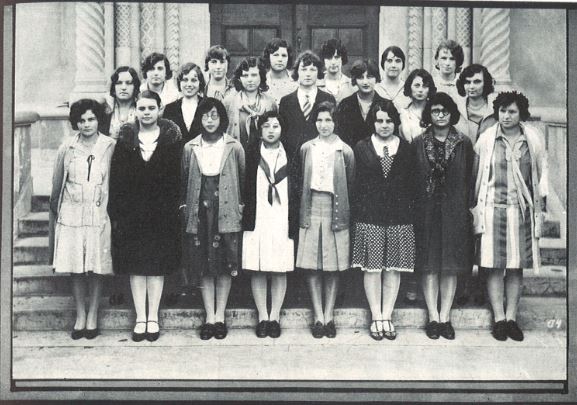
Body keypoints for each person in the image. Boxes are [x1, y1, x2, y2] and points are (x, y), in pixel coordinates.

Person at [471, 91, 548, 342]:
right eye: (502, 111)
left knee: (515, 267)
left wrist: (540, 209)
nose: (506, 116)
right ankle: (499, 318)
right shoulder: (486, 139)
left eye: (512, 111)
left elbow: (541, 175)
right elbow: (476, 175)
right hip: (493, 209)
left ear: (521, 113)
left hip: (520, 212)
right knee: (494, 266)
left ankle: (512, 317)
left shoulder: (532, 139)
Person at [108, 90, 182, 342]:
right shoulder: (126, 139)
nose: (147, 113)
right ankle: (140, 317)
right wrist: (118, 212)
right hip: (133, 214)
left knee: (156, 267)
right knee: (136, 266)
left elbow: (176, 179)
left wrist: (173, 209)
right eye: (142, 108)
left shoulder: (172, 140)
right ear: (135, 111)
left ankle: (153, 316)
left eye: (151, 108)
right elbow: (117, 179)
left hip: (162, 214)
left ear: (159, 109)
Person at [48, 99, 115, 340]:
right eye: (82, 120)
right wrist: (56, 214)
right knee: (76, 267)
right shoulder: (67, 147)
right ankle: (80, 315)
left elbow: (114, 184)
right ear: (76, 122)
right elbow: (57, 184)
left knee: (96, 267)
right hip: (72, 213)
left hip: (98, 212)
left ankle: (93, 315)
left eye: (91, 119)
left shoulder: (109, 146)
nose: (87, 124)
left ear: (99, 120)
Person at [181, 98, 245, 341]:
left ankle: (221, 315)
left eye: (214, 116)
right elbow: (185, 177)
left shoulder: (233, 146)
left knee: (225, 262)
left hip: (225, 207)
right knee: (204, 263)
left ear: (222, 119)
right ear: (199, 118)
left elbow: (241, 176)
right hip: (200, 208)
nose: (210, 121)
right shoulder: (190, 147)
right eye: (205, 116)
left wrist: (238, 207)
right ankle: (209, 315)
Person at [351, 100, 416, 340]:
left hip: (399, 217)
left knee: (392, 268)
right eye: (379, 120)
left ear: (395, 122)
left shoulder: (407, 148)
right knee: (372, 268)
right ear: (373, 122)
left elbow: (413, 185)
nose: (384, 125)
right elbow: (355, 184)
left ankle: (388, 315)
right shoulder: (361, 147)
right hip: (371, 216)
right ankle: (376, 315)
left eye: (389, 121)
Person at [413, 92, 474, 341]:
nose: (440, 115)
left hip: (454, 212)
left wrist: (465, 207)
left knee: (450, 265)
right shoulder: (418, 142)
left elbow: (469, 177)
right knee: (429, 265)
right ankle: (433, 317)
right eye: (435, 110)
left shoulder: (463, 143)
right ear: (429, 114)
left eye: (445, 111)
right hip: (426, 212)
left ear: (452, 113)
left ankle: (446, 316)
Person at [296, 101, 355, 339]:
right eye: (320, 120)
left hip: (335, 207)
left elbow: (349, 182)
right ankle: (317, 315)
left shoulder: (345, 150)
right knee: (312, 264)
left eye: (328, 120)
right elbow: (302, 177)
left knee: (332, 265)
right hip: (311, 206)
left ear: (335, 122)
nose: (324, 125)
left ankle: (329, 315)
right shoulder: (306, 148)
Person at [242, 111, 299, 338]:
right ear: (260, 129)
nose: (271, 130)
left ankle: (275, 315)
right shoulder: (252, 152)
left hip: (282, 215)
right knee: (257, 265)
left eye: (276, 126)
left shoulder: (292, 153)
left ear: (282, 129)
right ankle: (262, 315)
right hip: (258, 216)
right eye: (267, 126)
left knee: (279, 266)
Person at [279, 50, 336, 160]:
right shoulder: (286, 101)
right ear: (297, 72)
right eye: (304, 69)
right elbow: (283, 135)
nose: (308, 74)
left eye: (312, 70)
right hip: (292, 160)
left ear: (318, 72)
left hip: (321, 158)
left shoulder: (328, 99)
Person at [223, 56, 277, 149]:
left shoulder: (270, 102)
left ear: (261, 76)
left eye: (254, 75)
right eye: (245, 75)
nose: (250, 79)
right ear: (239, 78)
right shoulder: (229, 102)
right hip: (237, 154)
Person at [335, 58, 390, 147]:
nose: (365, 82)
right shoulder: (345, 105)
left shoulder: (387, 106)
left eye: (369, 77)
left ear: (376, 78)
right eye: (360, 77)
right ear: (355, 80)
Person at [163, 62, 205, 144]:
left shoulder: (207, 106)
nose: (189, 84)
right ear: (179, 82)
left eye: (193, 80)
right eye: (185, 80)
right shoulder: (170, 109)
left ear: (200, 82)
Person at [455, 63, 496, 143]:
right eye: (467, 82)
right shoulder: (456, 108)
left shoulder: (495, 109)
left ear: (486, 83)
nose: (471, 86)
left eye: (477, 82)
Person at [399, 69, 437, 143]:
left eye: (425, 86)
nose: (420, 90)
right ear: (409, 87)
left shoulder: (436, 111)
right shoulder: (404, 114)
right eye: (417, 86)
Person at [103, 66, 140, 140]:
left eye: (128, 83)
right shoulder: (105, 112)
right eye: (119, 83)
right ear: (114, 87)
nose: (123, 87)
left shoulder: (141, 110)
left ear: (135, 86)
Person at [317, 39, 355, 105]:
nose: (333, 62)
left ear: (342, 59)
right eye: (329, 58)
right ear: (323, 60)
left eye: (336, 57)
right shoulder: (316, 84)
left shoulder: (351, 85)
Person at [261, 38, 298, 105]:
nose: (280, 59)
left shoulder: (296, 81)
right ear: (268, 57)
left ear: (288, 58)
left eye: (284, 55)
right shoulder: (261, 80)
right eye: (276, 55)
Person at [375, 46, 411, 110]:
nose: (393, 65)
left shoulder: (409, 89)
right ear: (383, 63)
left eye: (398, 61)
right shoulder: (375, 89)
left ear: (403, 64)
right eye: (389, 61)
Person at [433, 39, 464, 104]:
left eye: (452, 59)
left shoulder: (464, 85)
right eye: (444, 58)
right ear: (437, 60)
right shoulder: (431, 84)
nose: (447, 63)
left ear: (458, 61)